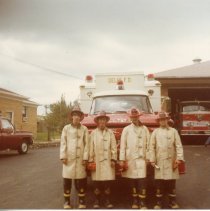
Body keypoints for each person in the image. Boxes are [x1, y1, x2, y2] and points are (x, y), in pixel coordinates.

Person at [149, 112, 184, 209]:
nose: (162, 121)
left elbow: (178, 146)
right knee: (159, 183)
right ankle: (158, 202)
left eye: (164, 119)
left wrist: (179, 158)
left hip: (171, 161)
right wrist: (152, 159)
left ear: (167, 120)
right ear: (158, 121)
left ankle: (172, 202)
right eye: (161, 120)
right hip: (159, 161)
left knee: (171, 183)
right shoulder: (155, 132)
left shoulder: (173, 131)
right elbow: (151, 147)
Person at [119, 107, 150, 209]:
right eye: (132, 117)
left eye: (136, 117)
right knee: (132, 181)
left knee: (142, 181)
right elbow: (122, 145)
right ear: (130, 118)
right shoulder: (126, 129)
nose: (134, 118)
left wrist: (148, 158)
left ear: (139, 117)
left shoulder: (145, 129)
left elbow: (149, 145)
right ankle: (135, 201)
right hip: (130, 159)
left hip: (142, 159)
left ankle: (142, 202)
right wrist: (122, 160)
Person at [60, 106, 89, 209]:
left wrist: (85, 158)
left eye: (78, 115)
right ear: (72, 116)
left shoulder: (84, 129)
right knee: (67, 180)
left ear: (81, 117)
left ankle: (82, 201)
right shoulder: (66, 128)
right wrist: (63, 156)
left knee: (81, 180)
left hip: (80, 159)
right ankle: (67, 202)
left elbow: (87, 144)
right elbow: (63, 143)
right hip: (69, 159)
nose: (76, 117)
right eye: (74, 115)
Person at [89, 111, 117, 209]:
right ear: (97, 121)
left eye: (104, 120)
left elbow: (114, 147)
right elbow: (90, 147)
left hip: (108, 161)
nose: (102, 121)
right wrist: (91, 160)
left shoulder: (110, 133)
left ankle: (107, 200)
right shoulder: (93, 133)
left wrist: (113, 159)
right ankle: (96, 201)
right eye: (100, 119)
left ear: (106, 121)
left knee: (107, 182)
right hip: (96, 161)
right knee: (96, 182)